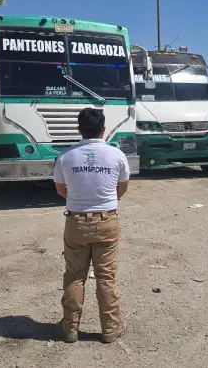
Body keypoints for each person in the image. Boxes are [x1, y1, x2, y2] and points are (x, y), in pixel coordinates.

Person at [52, 108, 130, 344]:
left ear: (79, 130)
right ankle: (110, 328)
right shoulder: (116, 155)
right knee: (106, 277)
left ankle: (70, 328)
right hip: (107, 221)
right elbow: (122, 189)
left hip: (75, 222)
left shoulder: (65, 156)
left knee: (75, 275)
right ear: (103, 130)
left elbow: (61, 190)